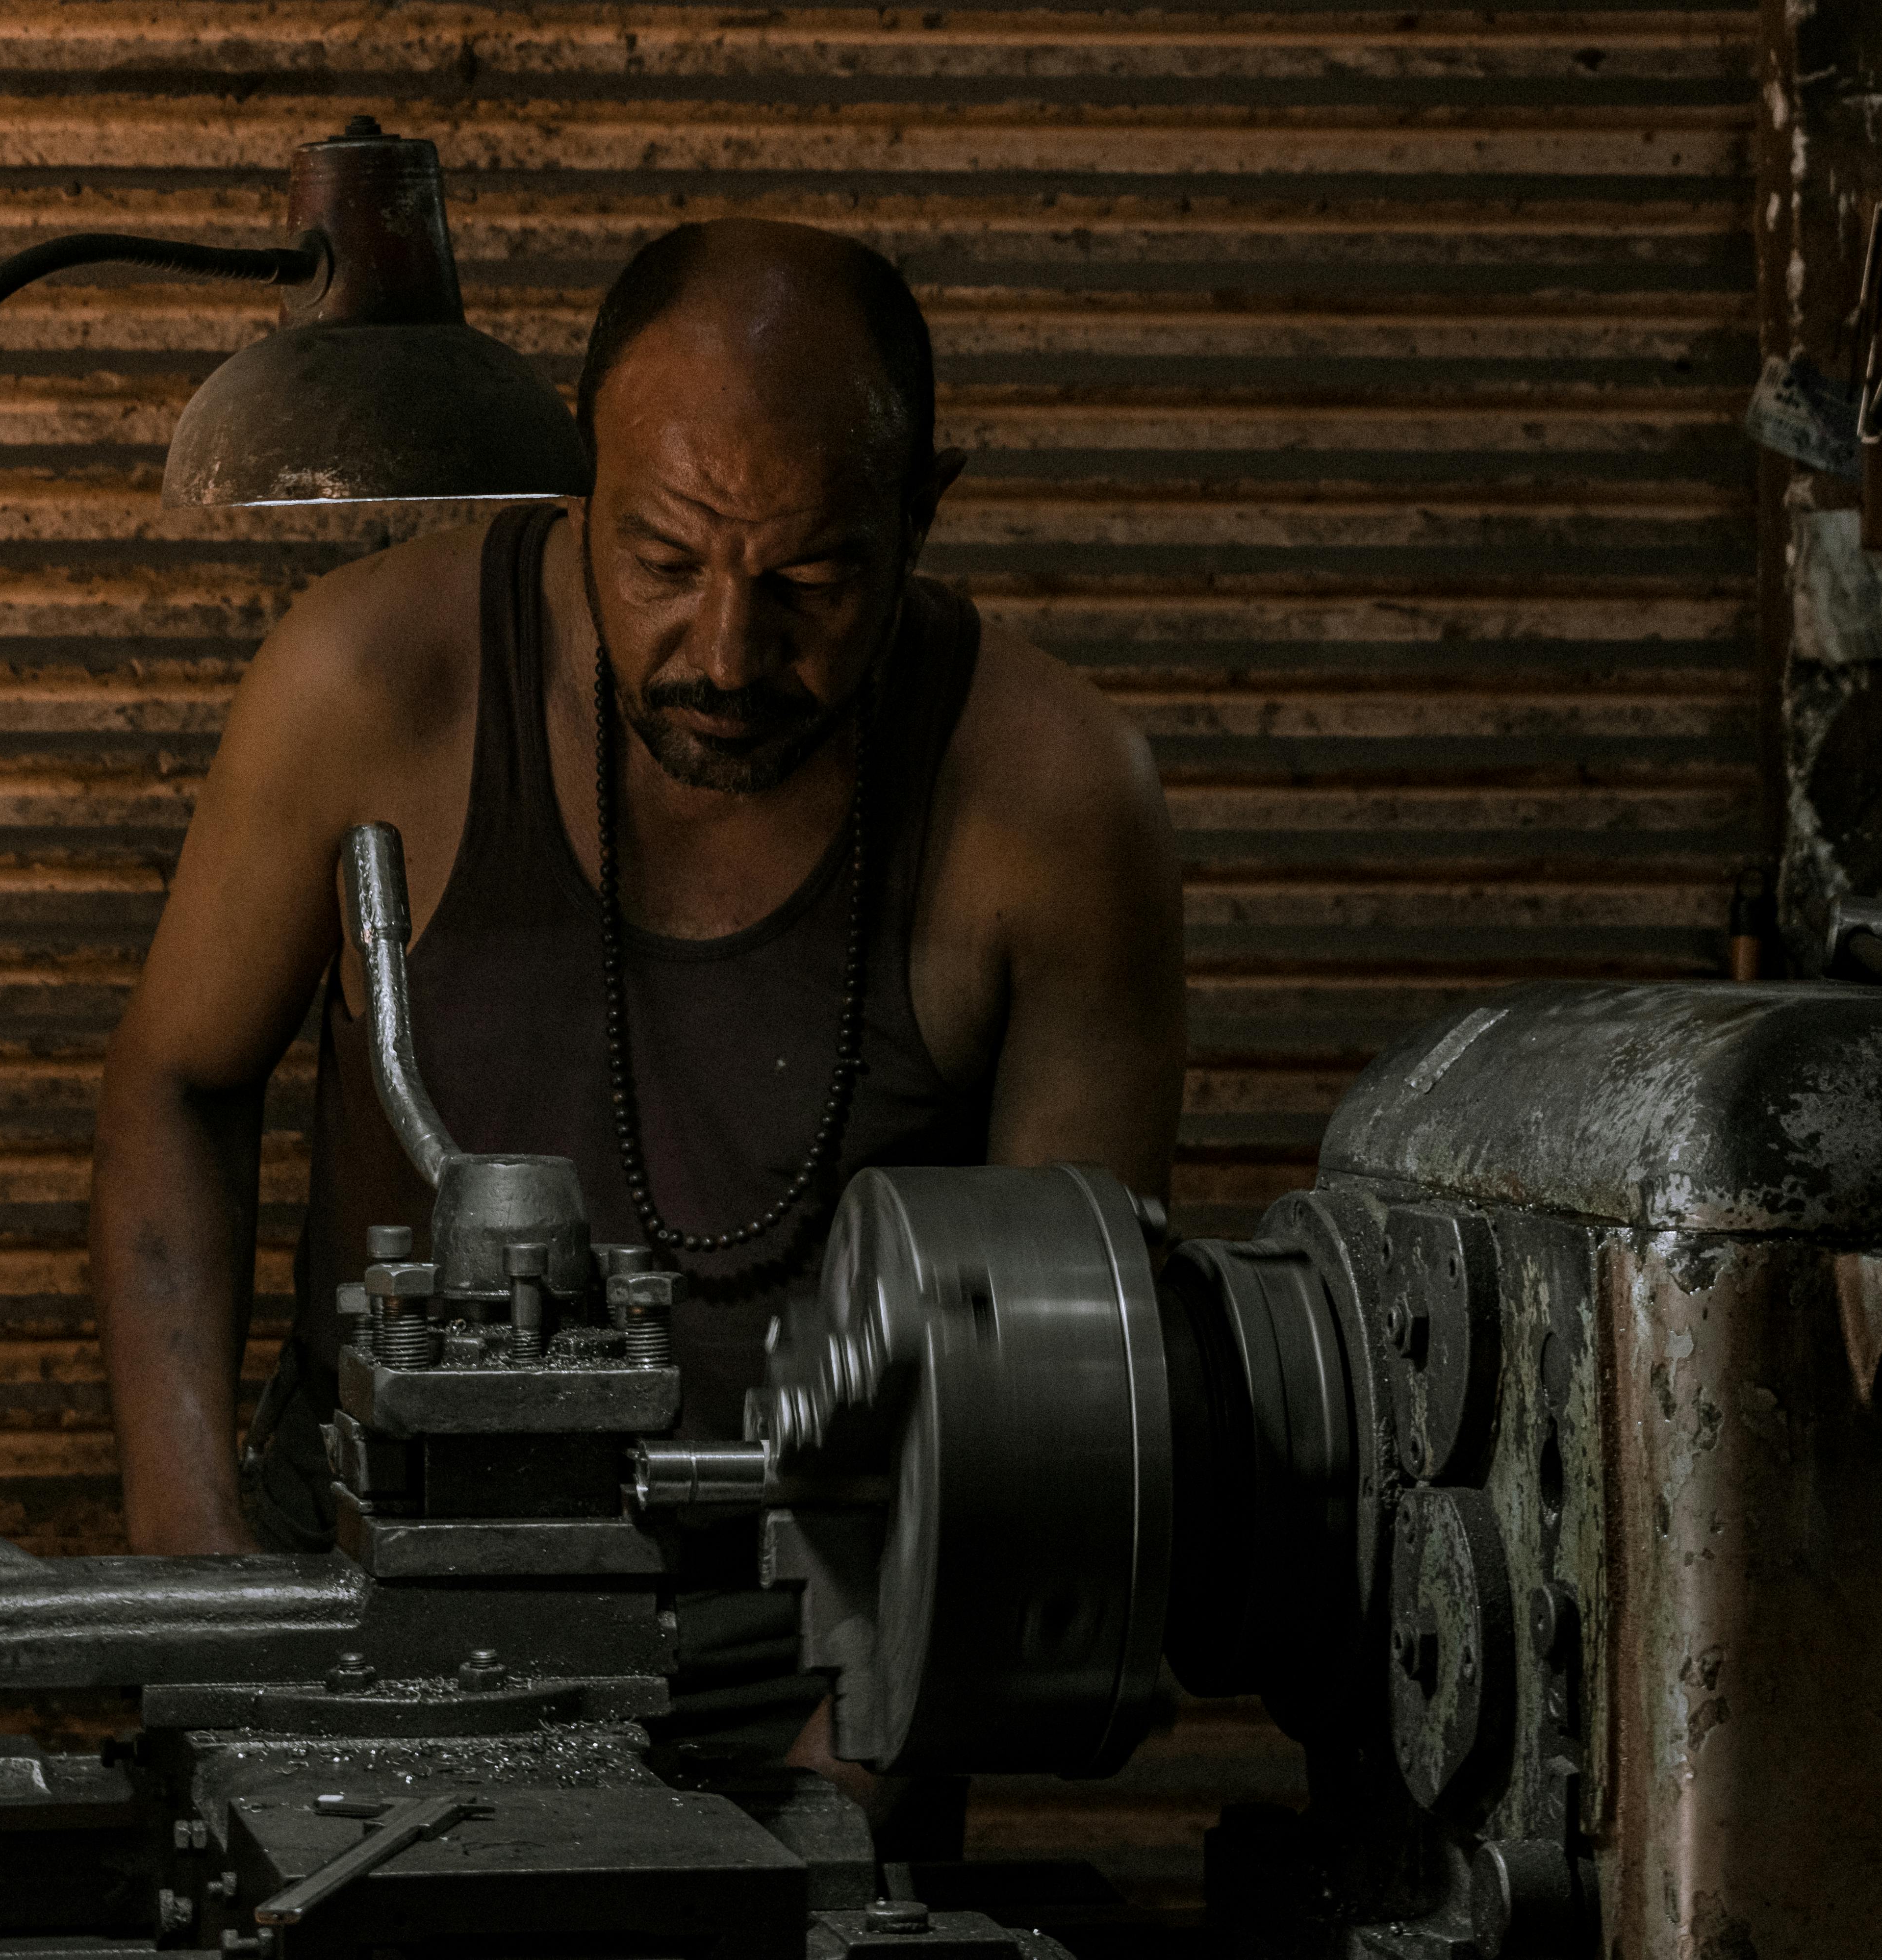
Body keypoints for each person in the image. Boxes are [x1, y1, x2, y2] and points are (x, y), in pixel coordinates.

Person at [91, 218, 1184, 1830]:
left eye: (809, 582)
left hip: (815, 1674)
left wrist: (856, 1771)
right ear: (578, 484)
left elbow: (1057, 1395)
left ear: (923, 513)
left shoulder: (1054, 802)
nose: (727, 655)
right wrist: (200, 1594)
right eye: (663, 564)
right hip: (373, 1619)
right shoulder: (373, 681)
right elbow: (174, 1090)